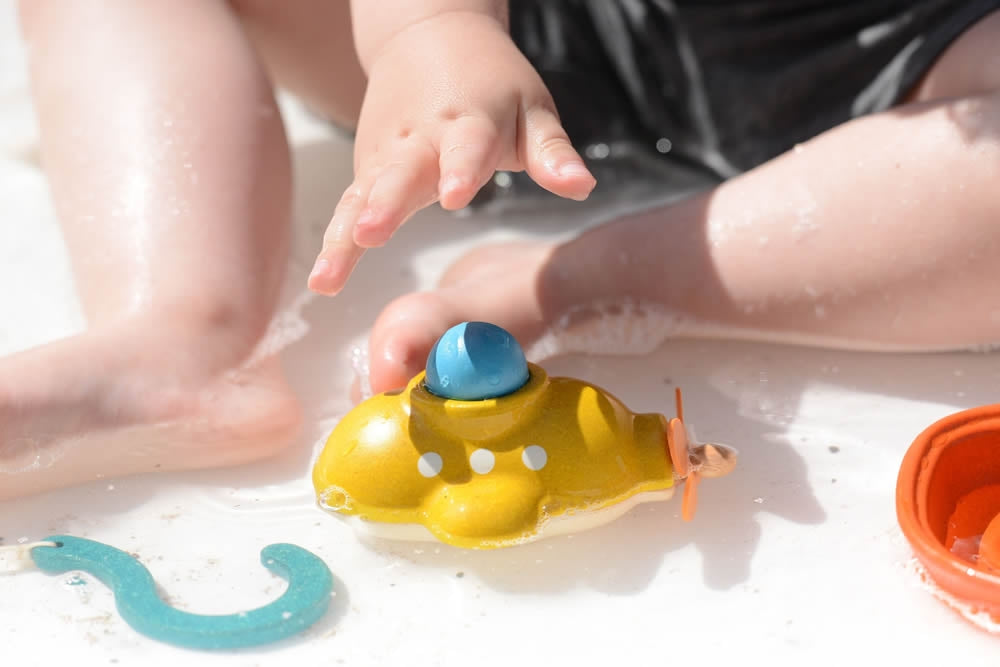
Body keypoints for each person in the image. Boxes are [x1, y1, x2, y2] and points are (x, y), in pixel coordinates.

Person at [5, 0, 1000, 499]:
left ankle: (579, 286)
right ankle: (185, 329)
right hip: (534, 40)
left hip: (907, 48)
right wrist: (426, 33)